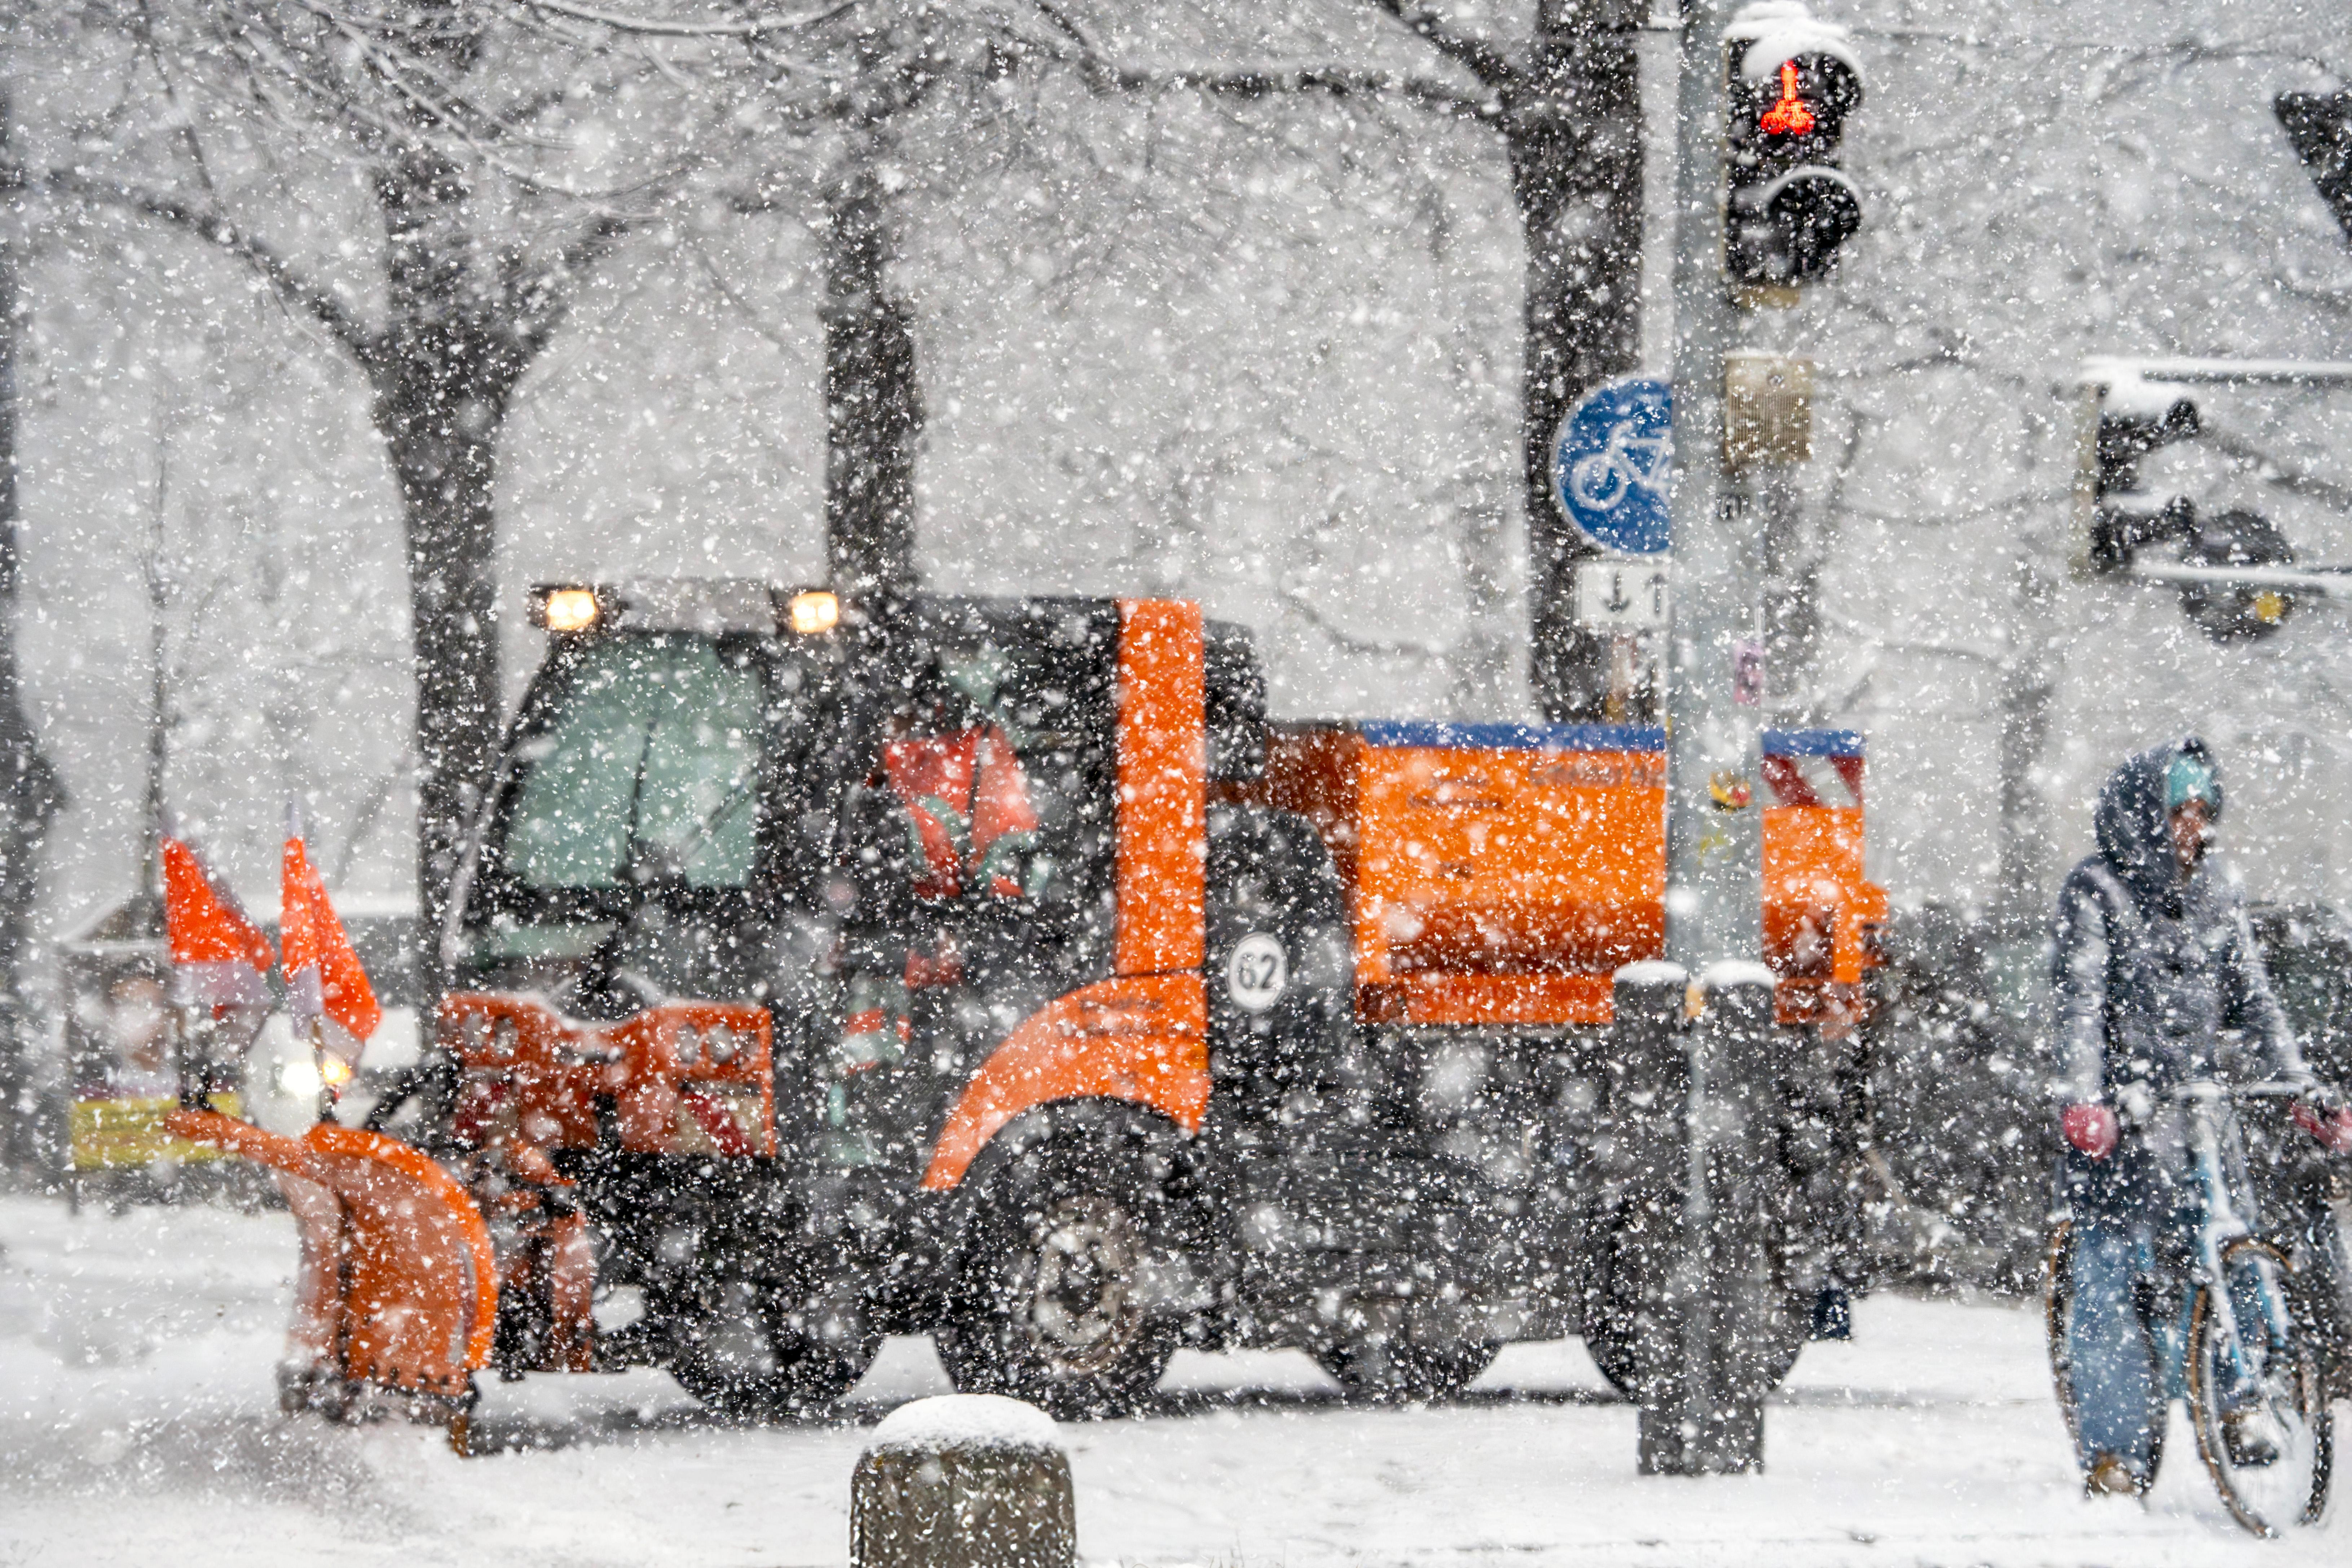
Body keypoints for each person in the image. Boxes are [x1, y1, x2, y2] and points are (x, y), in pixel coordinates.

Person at [2048, 737, 2349, 1498]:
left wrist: (2300, 1085)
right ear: (2143, 814)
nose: (2194, 826)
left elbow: (2256, 999)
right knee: (2111, 1283)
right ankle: (2115, 1455)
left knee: (2235, 1252)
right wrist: (2085, 1097)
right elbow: (2080, 1001)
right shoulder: (2097, 889)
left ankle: (2243, 1398)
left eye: (2203, 810)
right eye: (2179, 810)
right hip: (2123, 1120)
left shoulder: (2219, 889)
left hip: (2199, 1116)